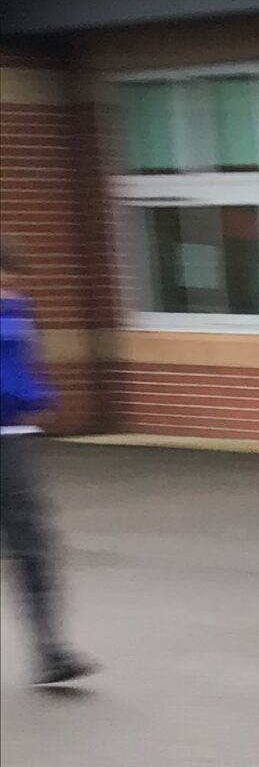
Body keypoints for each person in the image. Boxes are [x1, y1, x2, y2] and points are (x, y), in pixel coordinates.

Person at [0, 240, 95, 689]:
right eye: (2, 283)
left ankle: (51, 651)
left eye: (14, 283)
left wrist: (42, 395)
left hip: (11, 437)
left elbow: (23, 367)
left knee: (32, 546)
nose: (9, 292)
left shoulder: (18, 313)